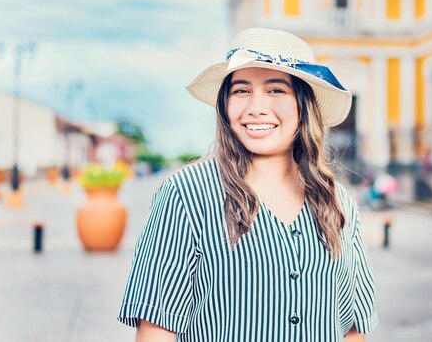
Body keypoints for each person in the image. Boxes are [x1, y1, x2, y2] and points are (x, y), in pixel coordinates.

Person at [118, 28, 378, 341]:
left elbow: (351, 329)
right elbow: (156, 329)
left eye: (276, 90)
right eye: (241, 90)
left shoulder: (337, 201)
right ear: (225, 105)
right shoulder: (185, 194)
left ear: (303, 106)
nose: (256, 107)